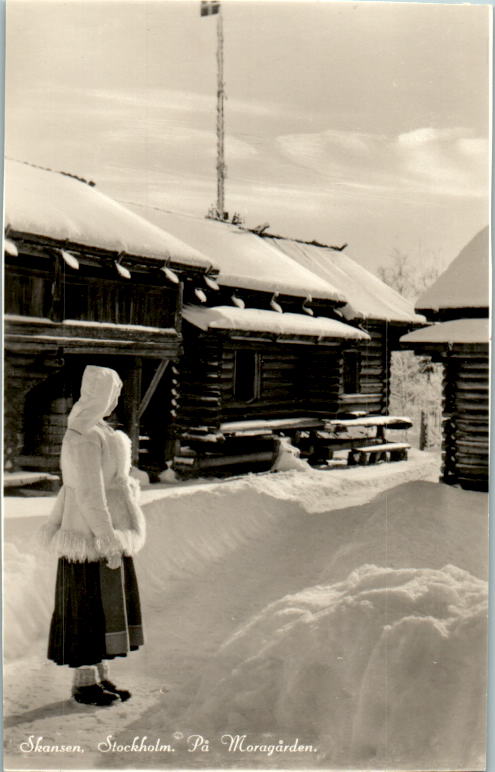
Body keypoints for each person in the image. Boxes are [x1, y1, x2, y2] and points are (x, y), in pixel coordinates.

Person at [40, 365, 146, 706]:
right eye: (111, 394)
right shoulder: (83, 436)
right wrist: (106, 539)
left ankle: (97, 676)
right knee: (87, 608)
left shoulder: (96, 430)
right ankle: (83, 684)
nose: (115, 400)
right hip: (90, 538)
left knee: (101, 609)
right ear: (99, 396)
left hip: (101, 534)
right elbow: (88, 494)